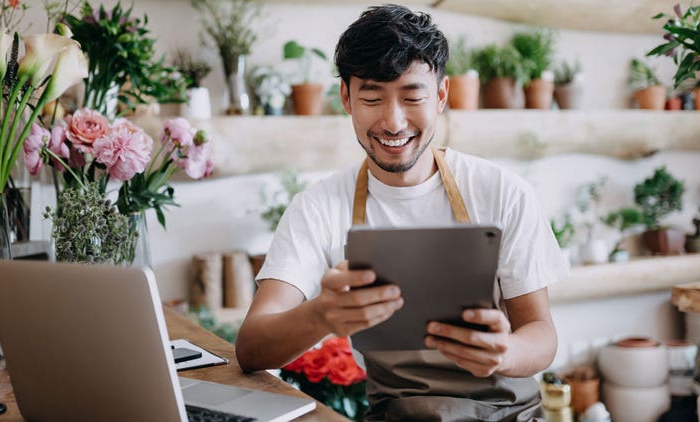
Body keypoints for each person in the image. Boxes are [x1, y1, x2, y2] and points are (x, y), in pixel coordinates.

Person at [236, 4, 568, 420]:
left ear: (441, 96)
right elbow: (250, 348)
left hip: (509, 413)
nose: (393, 122)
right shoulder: (318, 207)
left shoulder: (503, 192)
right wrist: (321, 314)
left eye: (413, 97)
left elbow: (542, 335)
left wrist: (505, 352)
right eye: (372, 98)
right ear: (346, 98)